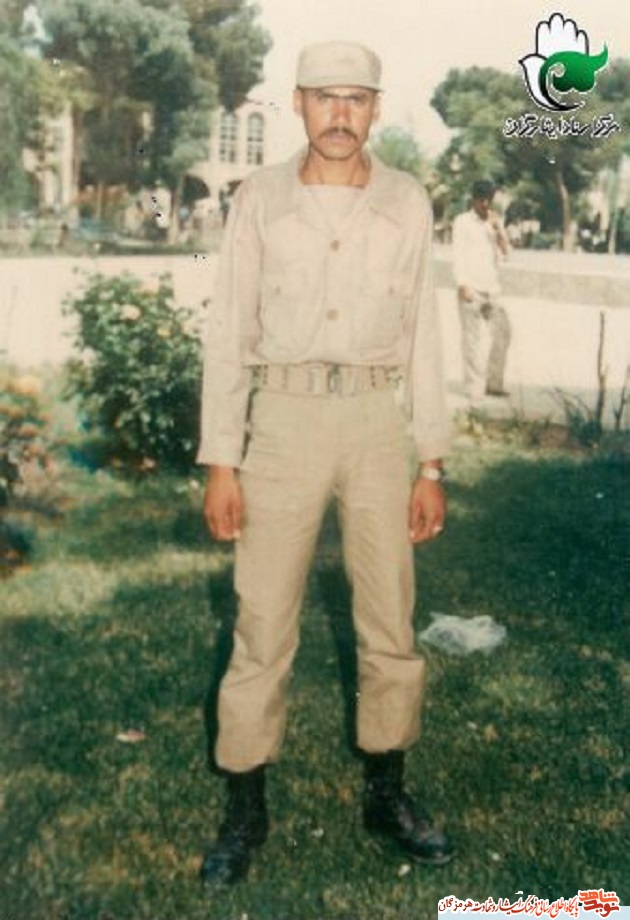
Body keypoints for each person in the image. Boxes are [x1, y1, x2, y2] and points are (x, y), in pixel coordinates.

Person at [197, 40, 453, 886]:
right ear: (298, 102)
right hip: (283, 420)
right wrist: (222, 459)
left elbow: (424, 335)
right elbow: (229, 331)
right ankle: (246, 806)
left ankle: (387, 791)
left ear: (376, 108)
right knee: (262, 619)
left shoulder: (406, 201)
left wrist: (431, 462)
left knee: (390, 618)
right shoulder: (260, 200)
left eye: (356, 98)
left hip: (376, 423)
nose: (340, 114)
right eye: (324, 97)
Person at [452, 179, 512, 402]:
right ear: (474, 199)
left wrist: (499, 231)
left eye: (489, 200)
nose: (485, 205)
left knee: (503, 333)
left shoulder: (495, 222)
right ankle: (474, 389)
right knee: (472, 341)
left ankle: (494, 383)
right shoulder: (462, 222)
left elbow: (507, 254)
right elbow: (458, 254)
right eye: (481, 200)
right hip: (471, 288)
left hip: (492, 289)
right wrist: (462, 284)